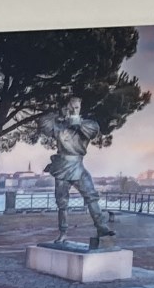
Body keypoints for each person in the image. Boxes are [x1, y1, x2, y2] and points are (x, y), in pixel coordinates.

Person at [31, 102, 111, 243]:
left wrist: (76, 121)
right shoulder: (59, 126)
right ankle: (63, 233)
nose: (73, 110)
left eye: (76, 107)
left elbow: (93, 131)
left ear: (80, 109)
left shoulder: (87, 125)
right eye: (70, 108)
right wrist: (57, 115)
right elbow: (43, 124)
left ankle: (101, 227)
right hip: (62, 168)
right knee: (62, 203)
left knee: (91, 196)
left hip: (78, 166)